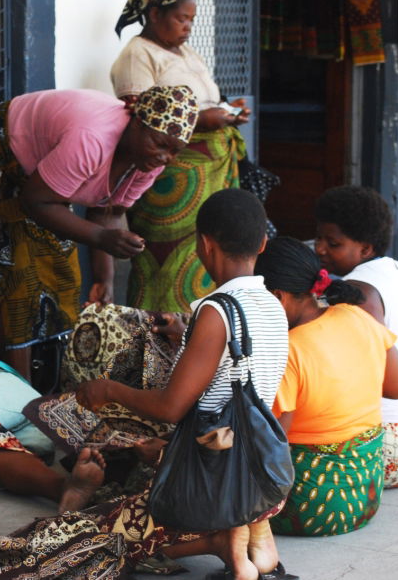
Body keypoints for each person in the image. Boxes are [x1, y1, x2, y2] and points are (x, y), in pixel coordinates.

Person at [66, 188, 292, 580]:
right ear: (262, 243)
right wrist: (185, 333)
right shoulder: (273, 303)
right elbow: (237, 362)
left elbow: (171, 407)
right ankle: (252, 533)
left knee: (91, 538)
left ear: (204, 245)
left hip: (213, 468)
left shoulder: (215, 310)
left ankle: (227, 542)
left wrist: (109, 389)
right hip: (256, 461)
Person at [0, 85, 199, 379]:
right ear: (138, 123)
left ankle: (43, 385)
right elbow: (36, 201)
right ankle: (17, 394)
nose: (165, 157)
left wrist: (104, 281)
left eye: (175, 151)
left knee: (62, 274)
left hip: (41, 181)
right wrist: (102, 238)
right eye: (160, 144)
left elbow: (107, 211)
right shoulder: (92, 139)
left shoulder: (148, 161)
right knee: (12, 268)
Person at [110, 0, 252, 313]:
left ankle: (203, 324)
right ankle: (155, 336)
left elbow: (200, 100)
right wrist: (207, 120)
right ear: (154, 14)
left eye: (191, 20)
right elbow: (142, 119)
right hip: (171, 176)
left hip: (211, 169)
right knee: (165, 256)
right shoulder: (138, 55)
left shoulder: (187, 53)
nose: (188, 27)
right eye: (180, 18)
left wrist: (229, 113)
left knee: (207, 252)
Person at [255, 237, 398, 536]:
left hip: (308, 509)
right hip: (365, 498)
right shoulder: (356, 315)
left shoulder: (289, 349)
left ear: (277, 297)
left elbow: (271, 443)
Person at [315, 186, 398, 488]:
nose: (320, 248)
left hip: (388, 451)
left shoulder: (358, 292)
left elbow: (389, 383)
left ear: (365, 248)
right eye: (319, 238)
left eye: (333, 243)